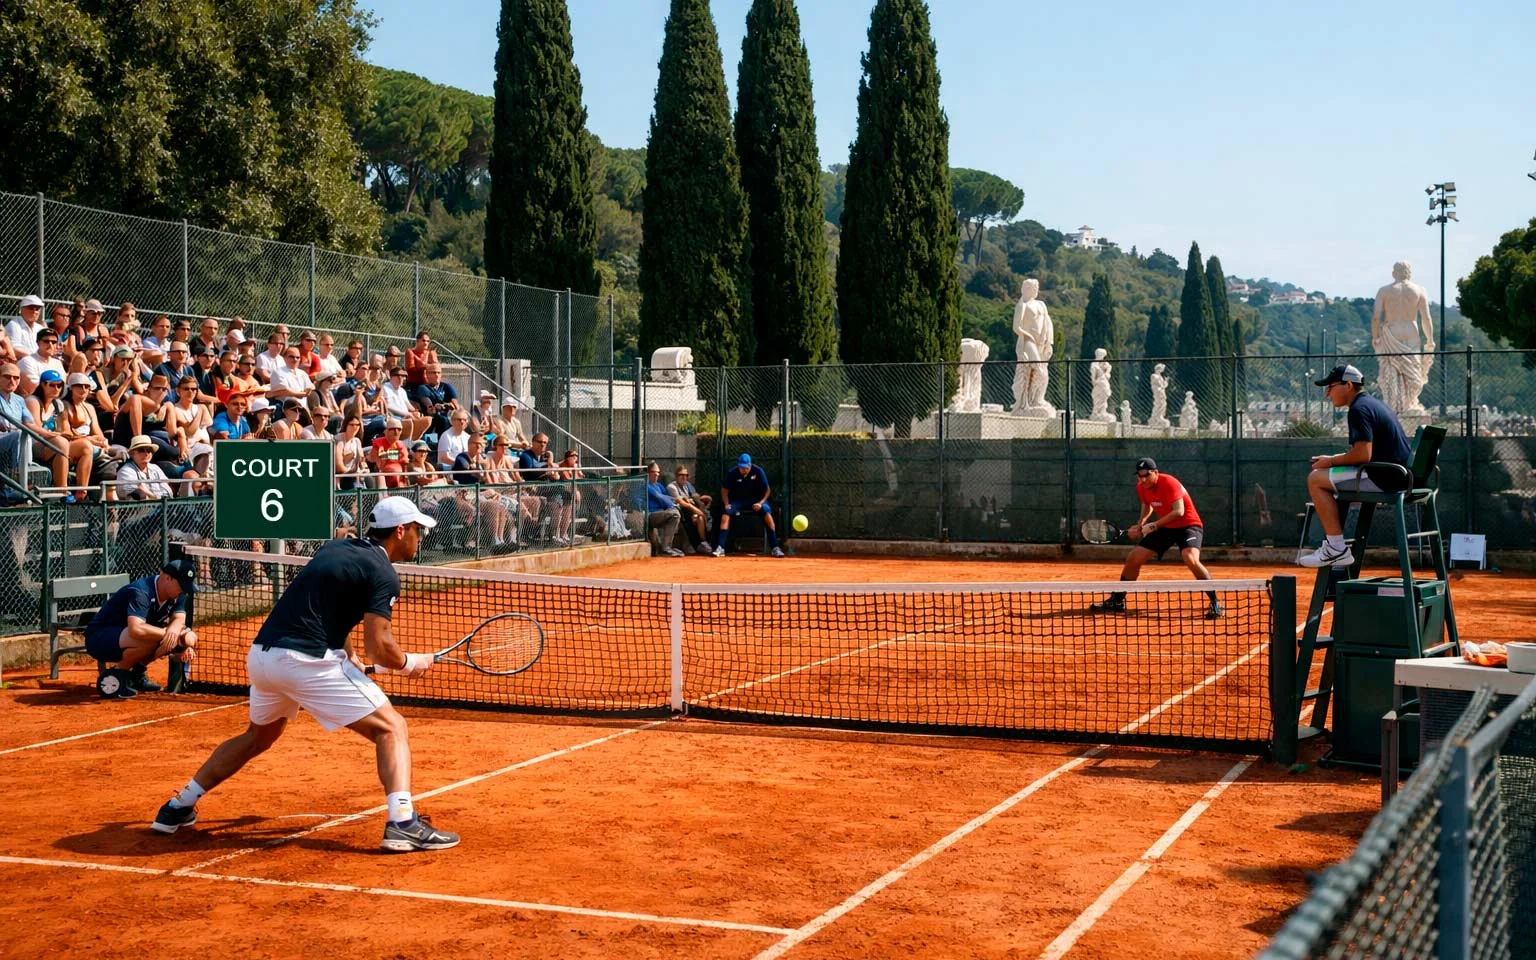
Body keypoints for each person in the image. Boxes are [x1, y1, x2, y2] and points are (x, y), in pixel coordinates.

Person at [149, 496, 460, 853]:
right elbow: (380, 646)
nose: (420, 537)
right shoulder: (383, 573)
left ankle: (177, 806)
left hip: (264, 657)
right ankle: (403, 822)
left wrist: (349, 656)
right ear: (400, 531)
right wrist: (408, 663)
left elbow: (328, 608)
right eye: (418, 530)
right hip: (306, 662)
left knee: (257, 737)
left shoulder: (336, 549)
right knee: (391, 728)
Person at [1298, 364, 1414, 568]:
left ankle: (1335, 548)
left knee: (1315, 479)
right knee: (1325, 474)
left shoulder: (1358, 410)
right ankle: (1335, 546)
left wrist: (1330, 461)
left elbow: (1362, 455)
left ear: (1348, 385)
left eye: (1330, 387)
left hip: (1385, 478)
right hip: (1398, 475)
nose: (1327, 394)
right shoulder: (1371, 403)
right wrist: (1332, 459)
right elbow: (1363, 453)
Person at [1089, 457, 1221, 618]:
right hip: (1166, 527)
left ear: (1156, 472)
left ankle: (1215, 602)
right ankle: (1116, 601)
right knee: (1134, 558)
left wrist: (1153, 525)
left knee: (1190, 557)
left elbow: (1179, 511)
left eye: (1146, 475)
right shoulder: (1141, 487)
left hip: (1189, 525)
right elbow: (1147, 505)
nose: (1143, 479)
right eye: (1139, 476)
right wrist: (1140, 524)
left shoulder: (1169, 483)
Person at [84, 556, 201, 698]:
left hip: (126, 639)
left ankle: (136, 675)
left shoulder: (178, 594)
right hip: (100, 639)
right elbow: (136, 629)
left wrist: (178, 636)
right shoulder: (141, 591)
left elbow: (179, 619)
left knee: (181, 639)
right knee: (154, 639)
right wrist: (172, 637)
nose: (183, 591)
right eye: (181, 585)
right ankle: (119, 676)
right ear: (167, 578)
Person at [714, 453, 783, 558]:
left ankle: (775, 548)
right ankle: (721, 547)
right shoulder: (732, 473)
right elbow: (724, 490)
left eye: (745, 467)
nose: (743, 470)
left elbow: (767, 490)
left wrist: (760, 503)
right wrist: (727, 503)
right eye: (741, 467)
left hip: (757, 501)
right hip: (737, 501)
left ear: (750, 465)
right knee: (725, 515)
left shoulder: (758, 471)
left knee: (767, 515)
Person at [667, 465, 713, 555]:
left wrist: (702, 500)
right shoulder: (671, 487)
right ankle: (700, 544)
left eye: (686, 475)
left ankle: (704, 543)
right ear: (676, 476)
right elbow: (681, 502)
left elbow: (695, 498)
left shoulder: (688, 485)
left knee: (700, 517)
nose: (684, 477)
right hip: (681, 512)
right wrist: (695, 509)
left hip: (692, 511)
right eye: (681, 475)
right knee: (698, 515)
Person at [643, 463, 685, 557]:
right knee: (674, 514)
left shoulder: (659, 485)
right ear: (648, 473)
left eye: (658, 472)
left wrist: (674, 503)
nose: (657, 474)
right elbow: (660, 497)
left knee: (675, 514)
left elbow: (666, 497)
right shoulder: (646, 484)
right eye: (654, 472)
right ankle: (665, 549)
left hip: (660, 513)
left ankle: (666, 547)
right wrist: (674, 502)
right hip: (650, 515)